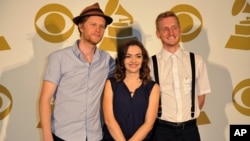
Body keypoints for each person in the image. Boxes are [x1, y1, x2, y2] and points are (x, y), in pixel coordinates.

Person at [39, 3, 115, 141]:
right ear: (81, 26)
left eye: (102, 26)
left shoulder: (107, 60)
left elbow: (125, 78)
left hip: (95, 135)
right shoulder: (59, 58)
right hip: (64, 135)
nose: (98, 30)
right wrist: (46, 136)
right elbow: (45, 99)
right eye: (93, 25)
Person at [150, 11, 211, 141]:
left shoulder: (197, 60)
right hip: (161, 131)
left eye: (174, 28)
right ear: (158, 34)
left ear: (180, 30)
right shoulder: (149, 64)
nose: (171, 33)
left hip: (190, 130)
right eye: (165, 29)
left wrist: (186, 118)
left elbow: (201, 97)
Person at [102, 39, 160, 141]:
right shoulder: (111, 83)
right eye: (128, 56)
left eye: (138, 56)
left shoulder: (153, 87)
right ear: (122, 60)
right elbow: (109, 120)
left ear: (143, 59)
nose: (133, 60)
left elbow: (148, 124)